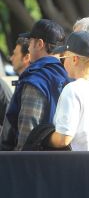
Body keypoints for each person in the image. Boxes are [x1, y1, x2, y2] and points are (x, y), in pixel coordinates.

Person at [0, 19, 69, 151]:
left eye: (30, 42)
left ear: (39, 44)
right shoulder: (67, 77)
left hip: (30, 163)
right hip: (57, 161)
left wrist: (18, 161)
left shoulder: (36, 79)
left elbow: (28, 130)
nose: (29, 47)